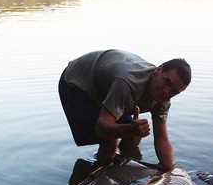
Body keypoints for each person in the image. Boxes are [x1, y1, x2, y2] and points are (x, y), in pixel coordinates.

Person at [59, 49, 191, 171]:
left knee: (134, 138)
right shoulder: (127, 82)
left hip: (111, 84)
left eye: (174, 91)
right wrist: (129, 129)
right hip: (78, 83)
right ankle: (100, 180)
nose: (166, 92)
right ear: (158, 70)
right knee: (110, 144)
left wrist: (171, 172)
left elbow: (162, 139)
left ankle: (122, 170)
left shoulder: (164, 99)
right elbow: (102, 127)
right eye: (167, 82)